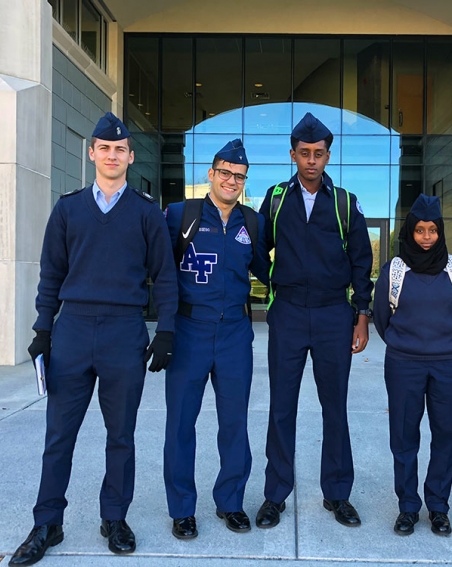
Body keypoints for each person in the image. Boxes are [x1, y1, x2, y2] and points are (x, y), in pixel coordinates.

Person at [10, 112, 178, 566]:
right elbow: (51, 275)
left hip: (124, 331)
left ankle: (114, 517)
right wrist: (43, 329)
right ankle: (48, 521)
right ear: (92, 153)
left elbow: (164, 278)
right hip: (74, 329)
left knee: (120, 434)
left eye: (119, 149)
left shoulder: (146, 212)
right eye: (104, 148)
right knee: (59, 434)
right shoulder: (67, 209)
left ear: (130, 156)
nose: (111, 155)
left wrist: (165, 330)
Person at [255, 112, 374, 529]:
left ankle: (337, 493)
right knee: (281, 408)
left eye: (318, 154)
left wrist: (361, 315)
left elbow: (362, 260)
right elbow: (257, 248)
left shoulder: (344, 202)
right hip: (287, 313)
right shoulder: (275, 198)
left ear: (327, 156)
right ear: (292, 154)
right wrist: (273, 282)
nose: (311, 161)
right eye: (304, 154)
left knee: (334, 408)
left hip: (331, 315)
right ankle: (275, 495)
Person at [162, 139, 270, 539]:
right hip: (190, 331)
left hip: (235, 336)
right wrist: (164, 329)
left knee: (235, 423)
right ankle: (182, 509)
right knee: (180, 424)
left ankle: (231, 502)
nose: (231, 181)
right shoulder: (179, 215)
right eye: (224, 173)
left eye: (238, 176)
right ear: (210, 174)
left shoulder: (252, 223)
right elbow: (158, 267)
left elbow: (271, 272)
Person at [373, 194, 452, 538]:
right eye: (420, 230)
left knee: (446, 436)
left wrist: (442, 345)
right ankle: (408, 507)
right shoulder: (394, 271)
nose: (427, 237)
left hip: (448, 365)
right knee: (404, 437)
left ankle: (439, 507)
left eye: (432, 230)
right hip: (404, 364)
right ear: (410, 232)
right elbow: (383, 321)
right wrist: (408, 347)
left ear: (440, 232)